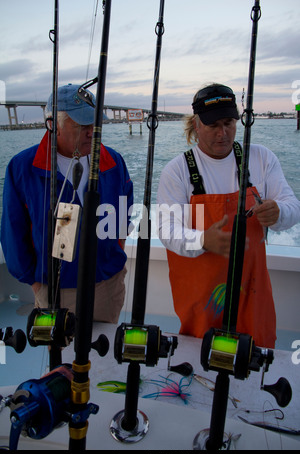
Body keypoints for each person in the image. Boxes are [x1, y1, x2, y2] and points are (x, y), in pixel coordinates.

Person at [157, 83, 300, 348]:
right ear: (196, 124)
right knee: (201, 362)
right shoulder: (176, 171)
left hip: (252, 295)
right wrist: (203, 241)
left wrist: (278, 212)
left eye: (229, 123)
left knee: (254, 359)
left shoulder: (261, 158)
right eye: (213, 126)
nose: (223, 133)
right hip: (202, 301)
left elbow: (293, 206)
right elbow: (167, 230)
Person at [1, 83, 133, 323]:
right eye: (81, 124)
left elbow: (123, 218)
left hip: (108, 285)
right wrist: (37, 284)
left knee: (102, 358)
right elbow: (13, 234)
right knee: (61, 358)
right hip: (55, 290)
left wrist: (112, 260)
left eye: (94, 123)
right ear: (53, 125)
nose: (92, 131)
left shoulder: (114, 161)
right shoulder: (22, 168)